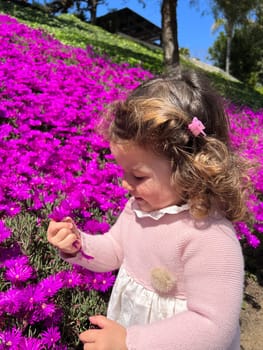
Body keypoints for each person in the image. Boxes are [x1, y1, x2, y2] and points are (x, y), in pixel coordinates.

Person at [47, 67, 251, 350]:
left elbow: (213, 327)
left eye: (139, 176)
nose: (125, 184)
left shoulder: (210, 236)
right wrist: (78, 245)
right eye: (124, 172)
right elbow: (116, 249)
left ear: (188, 169)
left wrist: (131, 341)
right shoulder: (138, 208)